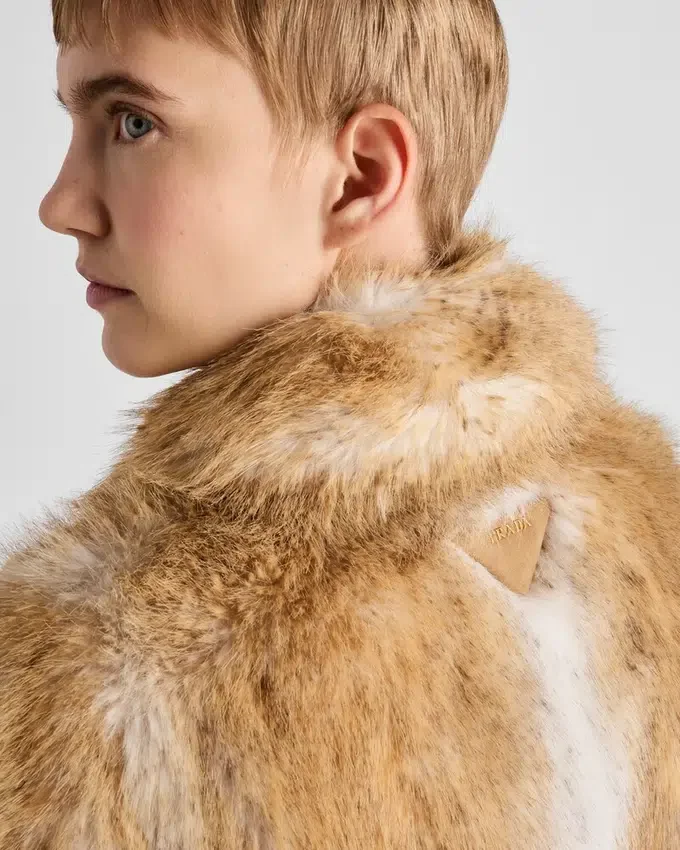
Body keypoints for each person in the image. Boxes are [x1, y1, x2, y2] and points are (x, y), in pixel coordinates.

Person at [1, 0, 678, 846]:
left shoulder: (94, 672)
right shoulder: (652, 526)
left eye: (134, 123)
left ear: (360, 176)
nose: (61, 203)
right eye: (77, 123)